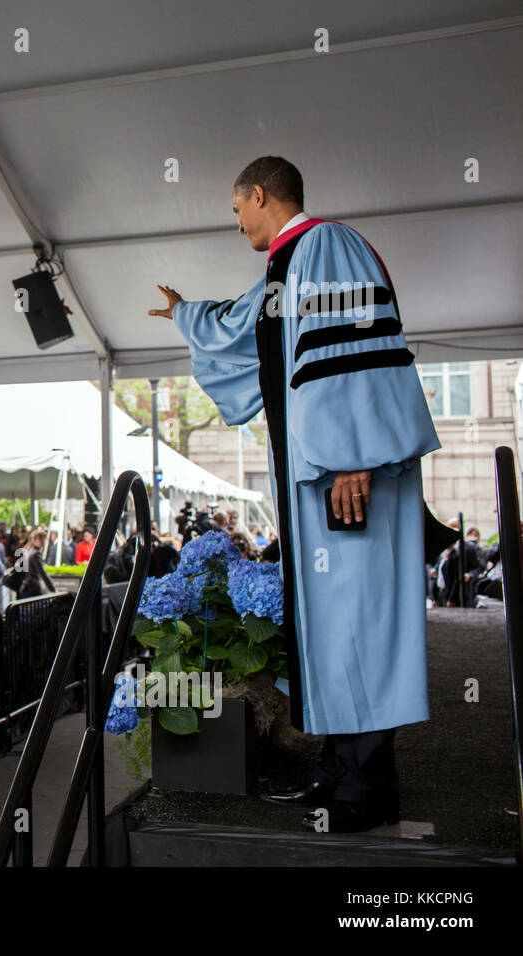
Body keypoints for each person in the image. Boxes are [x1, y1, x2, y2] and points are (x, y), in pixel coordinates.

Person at [151, 155, 440, 832]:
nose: (238, 223)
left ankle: (369, 792)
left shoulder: (328, 247)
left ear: (259, 194)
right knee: (336, 629)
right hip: (317, 485)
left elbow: (353, 349)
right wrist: (185, 314)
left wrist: (353, 457)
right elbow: (241, 329)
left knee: (362, 624)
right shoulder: (285, 268)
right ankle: (339, 772)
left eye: (236, 209)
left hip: (346, 476)